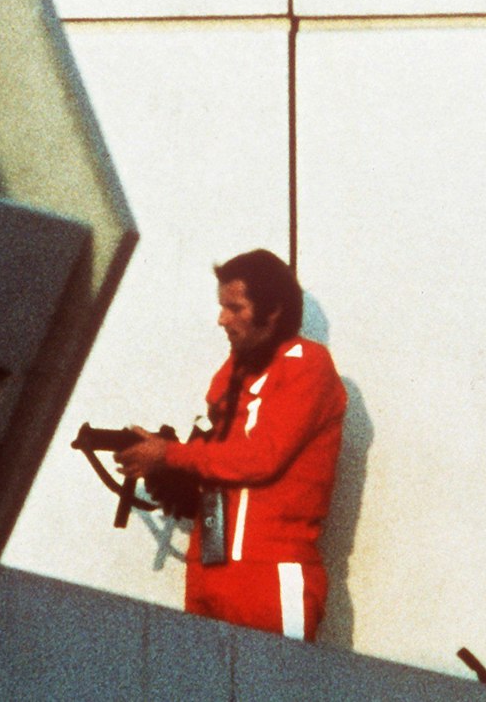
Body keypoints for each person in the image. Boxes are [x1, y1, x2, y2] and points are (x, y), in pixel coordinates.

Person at [117, 249, 346, 641]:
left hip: (269, 576)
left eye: (234, 307)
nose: (222, 319)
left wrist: (170, 454)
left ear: (273, 311)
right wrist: (166, 463)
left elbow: (261, 457)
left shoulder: (307, 363)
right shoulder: (234, 371)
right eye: (221, 307)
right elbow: (214, 453)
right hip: (208, 569)